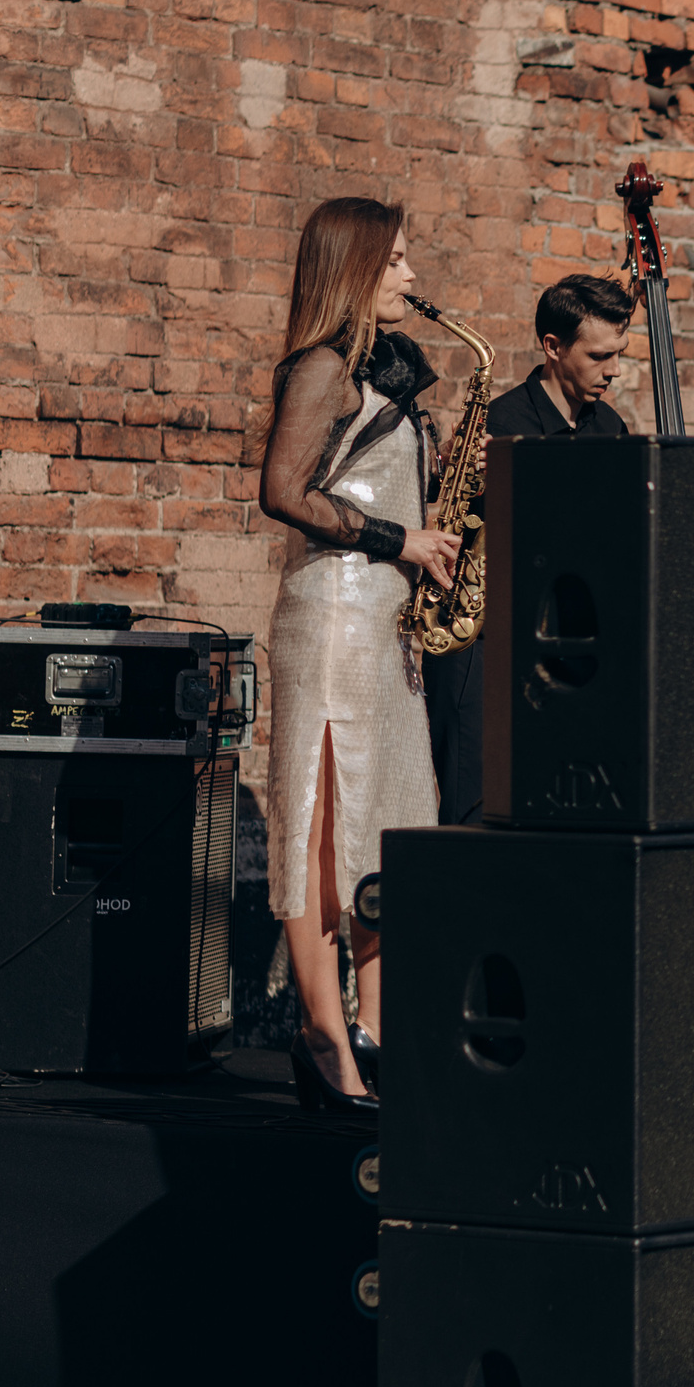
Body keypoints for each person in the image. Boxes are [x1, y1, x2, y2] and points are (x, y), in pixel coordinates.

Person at [257, 197, 462, 1110]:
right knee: (319, 822)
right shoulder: (322, 368)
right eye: (400, 262)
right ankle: (322, 1035)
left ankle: (375, 1028)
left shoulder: (386, 376)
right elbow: (281, 491)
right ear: (359, 271)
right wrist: (400, 539)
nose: (414, 277)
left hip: (384, 622)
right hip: (334, 615)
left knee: (384, 825)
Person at [423, 273, 635, 826]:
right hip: (482, 644)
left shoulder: (610, 428)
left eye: (620, 354)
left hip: (563, 649)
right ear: (553, 347)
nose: (614, 371)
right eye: (600, 356)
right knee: (473, 813)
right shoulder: (497, 425)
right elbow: (445, 522)